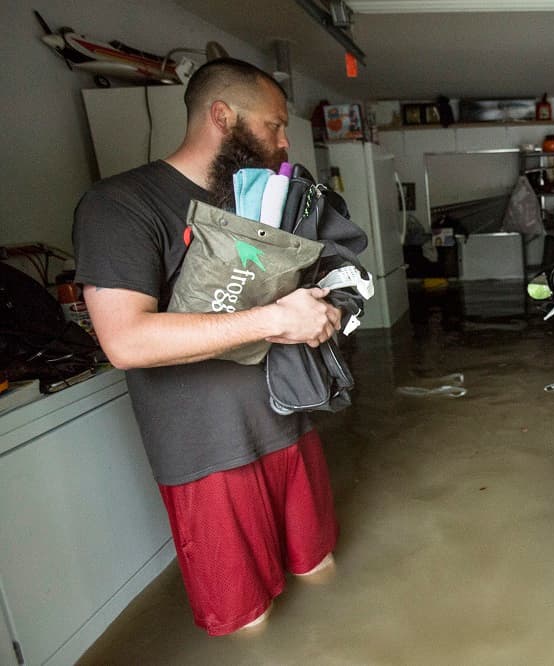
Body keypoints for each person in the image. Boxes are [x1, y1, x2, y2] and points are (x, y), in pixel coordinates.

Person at [72, 58, 339, 636]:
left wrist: (325, 307)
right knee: (252, 623)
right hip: (207, 454)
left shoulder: (263, 199)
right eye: (272, 125)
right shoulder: (120, 205)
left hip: (287, 424)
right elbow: (125, 341)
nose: (284, 141)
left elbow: (302, 293)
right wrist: (273, 318)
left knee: (324, 573)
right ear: (223, 115)